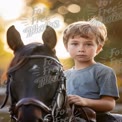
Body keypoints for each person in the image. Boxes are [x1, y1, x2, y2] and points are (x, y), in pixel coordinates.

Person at [62, 18, 120, 122]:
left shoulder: (104, 72)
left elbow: (109, 104)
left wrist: (85, 102)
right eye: (75, 44)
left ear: (98, 48)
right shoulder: (63, 75)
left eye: (88, 44)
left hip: (99, 119)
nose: (81, 49)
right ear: (67, 47)